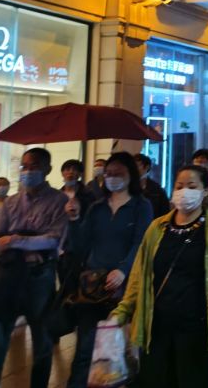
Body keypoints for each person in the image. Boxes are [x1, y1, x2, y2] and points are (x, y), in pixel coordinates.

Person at [111, 164, 208, 388]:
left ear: (205, 191)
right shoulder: (157, 228)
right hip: (157, 329)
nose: (184, 191)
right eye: (179, 186)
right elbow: (139, 275)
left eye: (191, 186)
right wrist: (123, 311)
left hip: (198, 330)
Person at [0, 148, 69, 388]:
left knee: (42, 342)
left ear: (47, 169)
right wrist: (30, 243)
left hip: (40, 277)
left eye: (34, 166)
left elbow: (54, 239)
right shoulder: (11, 202)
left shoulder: (59, 201)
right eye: (24, 166)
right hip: (7, 276)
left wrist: (15, 240)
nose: (28, 171)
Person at [65, 152, 153, 388]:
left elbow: (140, 243)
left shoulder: (141, 207)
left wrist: (123, 270)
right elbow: (80, 245)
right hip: (92, 287)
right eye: (109, 173)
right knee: (85, 348)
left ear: (130, 175)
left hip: (124, 289)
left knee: (121, 349)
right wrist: (73, 220)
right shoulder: (96, 208)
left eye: (119, 173)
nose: (113, 177)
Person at [135, 153, 171, 217]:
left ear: (146, 167)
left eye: (137, 166)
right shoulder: (125, 188)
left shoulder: (157, 191)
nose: (133, 169)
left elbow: (164, 214)